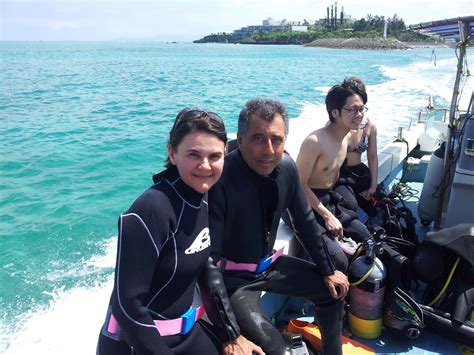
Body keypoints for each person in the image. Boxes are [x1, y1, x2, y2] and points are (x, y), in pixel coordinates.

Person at [97, 109, 263, 355]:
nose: (205, 166)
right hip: (137, 344)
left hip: (185, 333)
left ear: (225, 154)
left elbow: (204, 265)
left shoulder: (202, 195)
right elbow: (128, 306)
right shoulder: (150, 210)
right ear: (172, 153)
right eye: (194, 154)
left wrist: (231, 334)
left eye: (214, 156)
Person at [208, 98, 349, 355]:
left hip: (270, 266)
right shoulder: (221, 179)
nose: (269, 150)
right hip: (236, 281)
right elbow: (208, 259)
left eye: (277, 139)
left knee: (333, 294)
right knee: (276, 348)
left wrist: (328, 270)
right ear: (240, 140)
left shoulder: (286, 168)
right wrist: (229, 332)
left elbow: (304, 221)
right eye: (258, 138)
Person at [296, 84, 371, 244]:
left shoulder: (346, 139)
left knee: (365, 237)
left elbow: (336, 175)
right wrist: (327, 216)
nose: (359, 115)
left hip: (328, 198)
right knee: (338, 259)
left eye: (361, 109)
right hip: (306, 202)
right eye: (352, 110)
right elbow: (299, 185)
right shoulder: (315, 142)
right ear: (335, 112)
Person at [338, 77, 378, 204]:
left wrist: (373, 185)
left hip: (360, 174)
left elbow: (372, 157)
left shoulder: (370, 126)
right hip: (341, 176)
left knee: (382, 206)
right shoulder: (336, 126)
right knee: (350, 204)